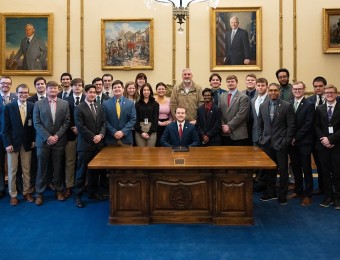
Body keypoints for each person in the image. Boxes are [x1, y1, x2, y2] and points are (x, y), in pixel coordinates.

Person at [33, 80, 70, 206]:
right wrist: (48, 137)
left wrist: (56, 136)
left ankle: (59, 191)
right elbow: (36, 123)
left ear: (58, 90)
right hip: (43, 142)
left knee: (58, 167)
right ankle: (39, 193)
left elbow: (66, 122)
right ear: (46, 90)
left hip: (59, 142)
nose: (53, 91)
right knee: (41, 169)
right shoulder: (38, 104)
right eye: (51, 88)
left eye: (55, 89)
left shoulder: (64, 104)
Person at [258, 83, 295, 205]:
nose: (273, 92)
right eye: (271, 90)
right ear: (268, 91)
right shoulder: (263, 106)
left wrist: (286, 141)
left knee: (283, 170)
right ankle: (271, 192)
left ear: (279, 91)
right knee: (269, 170)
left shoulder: (286, 106)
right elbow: (260, 124)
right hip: (267, 143)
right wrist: (261, 138)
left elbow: (291, 126)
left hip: (281, 144)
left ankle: (282, 194)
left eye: (275, 90)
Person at [73, 84, 106, 208]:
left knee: (95, 172)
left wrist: (101, 135)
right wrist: (93, 137)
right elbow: (80, 127)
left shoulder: (100, 107)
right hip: (85, 145)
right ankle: (77, 196)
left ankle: (92, 193)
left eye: (94, 92)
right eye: (90, 92)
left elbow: (104, 123)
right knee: (82, 171)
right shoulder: (79, 108)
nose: (92, 94)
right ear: (85, 93)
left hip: (98, 145)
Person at [2, 84, 35, 205]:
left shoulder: (32, 106)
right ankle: (13, 195)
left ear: (28, 93)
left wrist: (33, 140)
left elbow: (33, 127)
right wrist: (7, 143)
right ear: (16, 94)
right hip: (12, 145)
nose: (23, 95)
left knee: (26, 170)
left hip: (27, 144)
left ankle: (26, 192)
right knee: (12, 170)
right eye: (21, 93)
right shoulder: (9, 107)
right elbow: (4, 128)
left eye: (25, 92)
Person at [287, 81, 315, 206]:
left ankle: (307, 194)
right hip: (292, 143)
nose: (297, 91)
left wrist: (296, 137)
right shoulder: (289, 104)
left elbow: (308, 124)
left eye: (299, 89)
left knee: (306, 168)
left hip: (304, 142)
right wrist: (290, 138)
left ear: (304, 90)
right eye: (295, 89)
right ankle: (298, 190)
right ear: (292, 90)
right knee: (295, 168)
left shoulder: (309, 105)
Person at [315, 84, 340, 209]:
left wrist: (331, 139)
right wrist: (324, 140)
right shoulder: (319, 109)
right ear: (324, 94)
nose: (329, 95)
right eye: (327, 93)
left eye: (332, 92)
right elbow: (316, 126)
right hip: (323, 146)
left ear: (336, 94)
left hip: (337, 145)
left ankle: (338, 198)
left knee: (337, 172)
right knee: (325, 172)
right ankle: (329, 196)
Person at [64, 78, 85, 198]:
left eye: (79, 85)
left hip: (84, 136)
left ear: (82, 87)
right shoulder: (66, 101)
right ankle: (69, 186)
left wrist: (80, 129)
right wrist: (73, 127)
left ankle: (83, 184)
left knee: (83, 161)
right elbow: (65, 117)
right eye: (75, 85)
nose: (77, 87)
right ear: (71, 87)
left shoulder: (87, 99)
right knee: (70, 162)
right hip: (70, 135)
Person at [306, 76, 327, 195]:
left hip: (329, 138)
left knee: (330, 166)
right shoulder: (309, 100)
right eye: (315, 86)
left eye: (320, 86)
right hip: (313, 139)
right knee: (319, 164)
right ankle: (321, 187)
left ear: (324, 86)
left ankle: (332, 188)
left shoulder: (335, 99)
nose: (318, 88)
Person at [27, 76, 47, 193]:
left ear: (45, 85)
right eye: (38, 84)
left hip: (50, 137)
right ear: (35, 86)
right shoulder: (30, 100)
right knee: (35, 162)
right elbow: (30, 122)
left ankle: (48, 182)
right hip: (36, 137)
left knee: (48, 162)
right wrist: (32, 138)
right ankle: (34, 183)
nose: (40, 86)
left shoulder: (52, 98)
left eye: (42, 84)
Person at [103, 80, 136, 146]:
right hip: (110, 139)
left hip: (126, 139)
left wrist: (123, 132)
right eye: (115, 88)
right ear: (112, 90)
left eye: (119, 87)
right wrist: (113, 132)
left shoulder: (130, 103)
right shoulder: (105, 103)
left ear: (123, 89)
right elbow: (104, 120)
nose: (117, 89)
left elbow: (133, 119)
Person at [219, 75, 249, 146]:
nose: (230, 83)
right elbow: (219, 113)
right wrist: (223, 125)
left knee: (238, 156)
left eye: (232, 81)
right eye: (228, 82)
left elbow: (241, 115)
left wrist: (229, 126)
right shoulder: (222, 96)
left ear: (237, 82)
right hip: (225, 133)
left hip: (238, 134)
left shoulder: (243, 97)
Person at [0, 76, 18, 199]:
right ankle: (1, 188)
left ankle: (18, 187)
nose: (5, 85)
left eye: (8, 83)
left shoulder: (16, 98)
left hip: (13, 137)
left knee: (16, 165)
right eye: (3, 83)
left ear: (11, 85)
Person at [250, 78, 269, 192]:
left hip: (267, 135)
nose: (260, 87)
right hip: (255, 133)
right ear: (256, 86)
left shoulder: (270, 99)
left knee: (266, 159)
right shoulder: (253, 100)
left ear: (266, 86)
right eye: (259, 85)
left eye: (263, 85)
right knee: (256, 158)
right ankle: (259, 180)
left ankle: (266, 183)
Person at [155, 82, 173, 147]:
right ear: (156, 90)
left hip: (167, 125)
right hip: (156, 124)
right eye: (159, 89)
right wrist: (159, 122)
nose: (161, 91)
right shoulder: (153, 101)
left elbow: (171, 114)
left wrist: (169, 121)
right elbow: (151, 115)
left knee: (166, 144)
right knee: (157, 144)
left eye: (163, 89)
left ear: (165, 90)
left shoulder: (169, 100)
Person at [242, 74, 257, 145]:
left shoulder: (260, 93)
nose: (250, 81)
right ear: (245, 82)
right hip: (243, 125)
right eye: (248, 80)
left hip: (256, 124)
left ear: (256, 82)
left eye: (252, 80)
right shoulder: (240, 94)